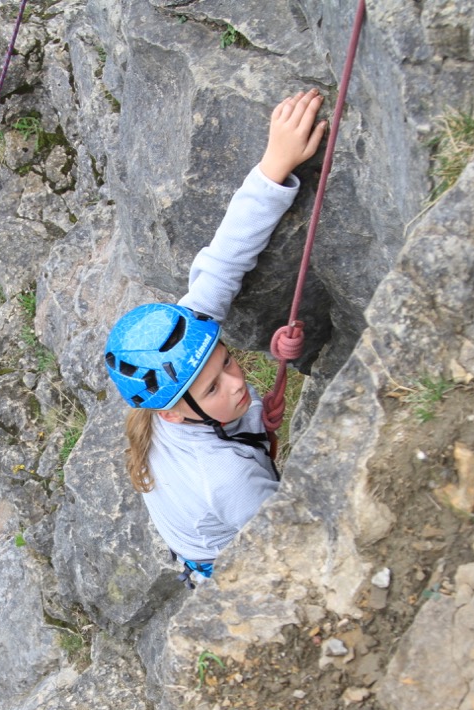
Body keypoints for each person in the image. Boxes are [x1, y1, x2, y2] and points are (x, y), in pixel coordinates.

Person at [104, 90, 327, 588]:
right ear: (173, 413)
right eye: (212, 388)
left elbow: (224, 260)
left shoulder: (177, 359)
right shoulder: (227, 479)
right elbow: (290, 545)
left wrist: (274, 165)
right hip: (228, 563)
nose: (236, 381)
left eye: (226, 361)